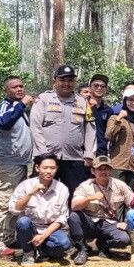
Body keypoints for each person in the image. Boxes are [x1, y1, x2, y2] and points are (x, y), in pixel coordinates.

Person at [30, 65, 95, 195]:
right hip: (47, 158)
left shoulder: (82, 102)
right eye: (62, 80)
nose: (66, 84)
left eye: (70, 80)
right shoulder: (43, 99)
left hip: (74, 158)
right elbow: (35, 127)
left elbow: (90, 129)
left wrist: (89, 153)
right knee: (41, 194)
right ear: (54, 81)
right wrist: (43, 154)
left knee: (74, 196)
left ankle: (71, 216)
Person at [0, 76, 33, 256]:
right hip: (7, 163)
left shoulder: (18, 108)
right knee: (4, 201)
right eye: (15, 87)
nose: (19, 89)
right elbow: (4, 123)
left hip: (21, 163)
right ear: (6, 91)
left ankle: (8, 238)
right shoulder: (7, 106)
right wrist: (22, 103)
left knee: (16, 203)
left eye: (21, 86)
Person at [69, 155, 134, 265]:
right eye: (99, 168)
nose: (103, 171)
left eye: (106, 168)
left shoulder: (120, 185)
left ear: (111, 170)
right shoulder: (85, 186)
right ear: (93, 171)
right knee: (74, 216)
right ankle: (82, 249)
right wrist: (90, 198)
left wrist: (126, 222)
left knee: (124, 240)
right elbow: (74, 206)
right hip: (89, 222)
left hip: (109, 223)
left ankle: (103, 245)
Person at [9, 155, 72, 265]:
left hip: (50, 229)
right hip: (29, 229)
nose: (49, 171)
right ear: (37, 168)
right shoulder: (25, 185)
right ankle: (28, 253)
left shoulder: (62, 189)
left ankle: (40, 250)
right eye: (45, 168)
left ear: (56, 169)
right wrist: (31, 193)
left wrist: (43, 236)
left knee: (64, 244)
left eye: (52, 168)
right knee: (23, 222)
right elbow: (14, 209)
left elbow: (62, 218)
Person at [106, 89, 134, 189]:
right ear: (124, 101)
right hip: (118, 164)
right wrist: (119, 119)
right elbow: (109, 135)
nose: (133, 103)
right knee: (117, 197)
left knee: (132, 198)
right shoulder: (115, 117)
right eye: (130, 100)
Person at [87, 74, 113, 157]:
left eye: (102, 86)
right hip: (83, 152)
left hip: (101, 152)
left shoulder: (108, 110)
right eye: (96, 85)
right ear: (90, 88)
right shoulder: (82, 106)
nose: (99, 88)